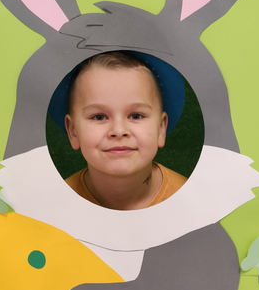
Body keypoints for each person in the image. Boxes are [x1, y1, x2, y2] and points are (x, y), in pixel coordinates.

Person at [63, 52, 187, 210]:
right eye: (99, 117)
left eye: (136, 115)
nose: (119, 130)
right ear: (73, 132)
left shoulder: (193, 202)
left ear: (161, 129)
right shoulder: (54, 207)